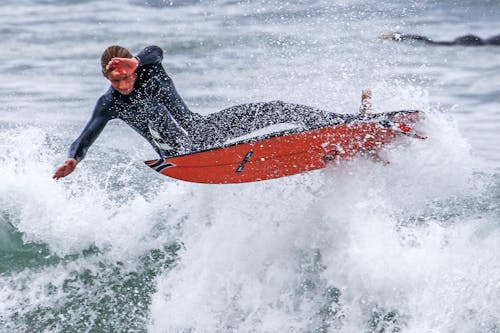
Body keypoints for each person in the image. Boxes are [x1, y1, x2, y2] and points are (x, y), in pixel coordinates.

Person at [53, 45, 346, 179]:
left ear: (134, 68)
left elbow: (155, 50)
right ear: (107, 79)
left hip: (201, 132)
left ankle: (341, 125)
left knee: (277, 108)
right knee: (152, 110)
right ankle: (194, 150)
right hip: (177, 150)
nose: (123, 85)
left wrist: (137, 62)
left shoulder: (150, 67)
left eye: (127, 76)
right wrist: (73, 159)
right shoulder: (109, 103)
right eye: (115, 81)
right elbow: (85, 137)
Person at [379, 32, 500, 46]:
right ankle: (398, 36)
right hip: (475, 42)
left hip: (474, 39)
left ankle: (398, 36)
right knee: (435, 43)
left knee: (436, 43)